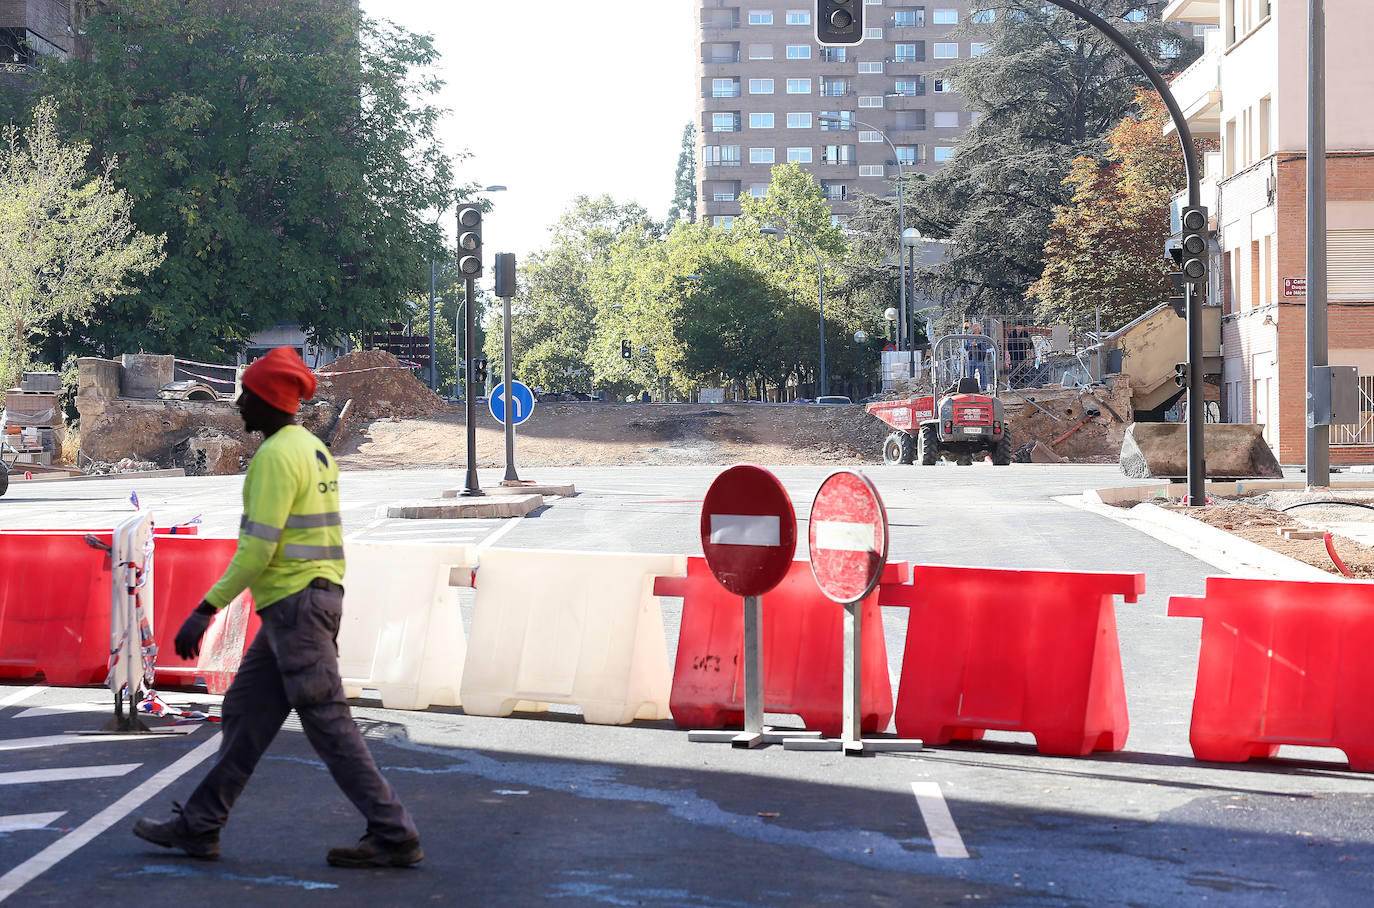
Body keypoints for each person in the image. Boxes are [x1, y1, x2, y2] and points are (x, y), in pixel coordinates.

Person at [132, 347, 421, 868]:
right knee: (246, 713)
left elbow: (256, 551)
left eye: (247, 395)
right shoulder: (312, 449)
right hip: (307, 604)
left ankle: (393, 831)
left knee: (329, 724)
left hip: (296, 609)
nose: (240, 405)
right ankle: (200, 826)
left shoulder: (273, 458)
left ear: (268, 401)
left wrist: (206, 609)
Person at [964, 323, 990, 391]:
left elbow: (985, 347)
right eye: (974, 327)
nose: (975, 329)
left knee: (982, 373)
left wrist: (977, 344)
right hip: (971, 357)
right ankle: (972, 388)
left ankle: (983, 387)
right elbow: (966, 347)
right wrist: (970, 345)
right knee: (971, 374)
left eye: (977, 327)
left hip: (980, 357)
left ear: (979, 329)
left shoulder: (983, 337)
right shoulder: (969, 337)